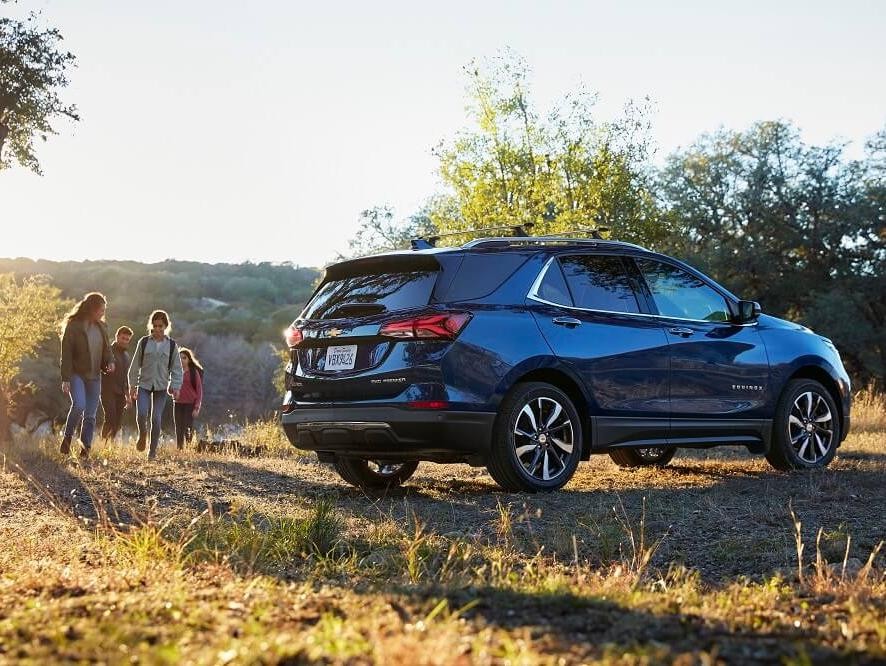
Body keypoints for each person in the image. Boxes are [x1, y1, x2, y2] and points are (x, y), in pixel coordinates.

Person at [59, 292, 115, 459]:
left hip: (95, 376)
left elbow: (107, 350)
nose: (103, 313)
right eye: (101, 310)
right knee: (79, 405)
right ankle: (67, 438)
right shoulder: (74, 326)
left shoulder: (102, 327)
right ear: (92, 308)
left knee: (90, 415)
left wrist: (110, 361)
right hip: (76, 374)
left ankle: (85, 448)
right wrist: (65, 378)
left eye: (104, 310)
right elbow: (66, 354)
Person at [128, 310, 183, 460]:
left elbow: (177, 368)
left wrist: (176, 386)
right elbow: (135, 365)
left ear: (166, 326)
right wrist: (132, 385)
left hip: (161, 387)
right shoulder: (144, 342)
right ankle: (142, 434)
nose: (157, 329)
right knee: (141, 414)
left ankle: (152, 451)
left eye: (160, 326)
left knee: (156, 419)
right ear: (151, 325)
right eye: (155, 326)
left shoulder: (171, 345)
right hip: (144, 385)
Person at [100, 326, 133, 441]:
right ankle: (103, 443)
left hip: (121, 393)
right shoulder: (108, 351)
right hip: (107, 390)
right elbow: (101, 366)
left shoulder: (126, 356)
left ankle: (110, 444)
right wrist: (106, 367)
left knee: (118, 422)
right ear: (117, 336)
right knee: (110, 418)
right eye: (123, 338)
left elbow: (126, 378)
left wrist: (128, 396)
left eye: (127, 339)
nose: (124, 341)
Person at [174, 347, 204, 449]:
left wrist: (197, 407)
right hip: (178, 403)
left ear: (189, 360)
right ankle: (179, 449)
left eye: (184, 358)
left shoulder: (193, 372)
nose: (181, 360)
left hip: (190, 404)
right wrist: (173, 391)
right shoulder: (175, 372)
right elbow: (170, 389)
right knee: (179, 427)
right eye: (179, 358)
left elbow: (199, 391)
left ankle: (189, 448)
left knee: (188, 427)